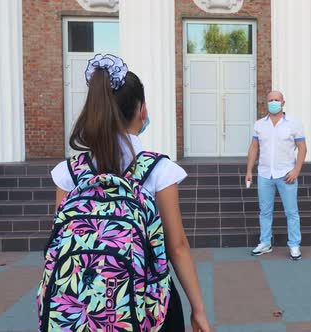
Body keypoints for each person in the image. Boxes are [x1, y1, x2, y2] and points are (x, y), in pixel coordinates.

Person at [49, 54, 211, 332]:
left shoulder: (70, 172)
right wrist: (199, 310)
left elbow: (60, 240)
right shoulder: (158, 169)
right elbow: (177, 246)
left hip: (79, 307)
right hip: (148, 307)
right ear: (142, 111)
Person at [245, 91, 307, 260]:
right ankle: (265, 243)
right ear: (267, 102)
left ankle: (294, 245)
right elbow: (254, 147)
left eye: (276, 100)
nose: (273, 102)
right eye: (270, 100)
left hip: (287, 174)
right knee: (265, 211)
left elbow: (302, 148)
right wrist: (249, 171)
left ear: (283, 102)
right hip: (265, 174)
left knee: (291, 212)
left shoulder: (294, 124)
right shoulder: (259, 125)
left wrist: (296, 170)